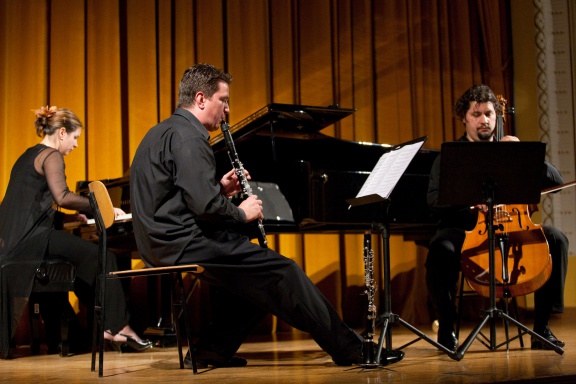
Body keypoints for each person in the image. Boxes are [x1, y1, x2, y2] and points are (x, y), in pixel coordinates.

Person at [130, 63, 404, 368]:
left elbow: (176, 198)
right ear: (201, 99)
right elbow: (204, 209)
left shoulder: (161, 132)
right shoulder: (191, 139)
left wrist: (220, 190)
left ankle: (211, 351)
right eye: (224, 100)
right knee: (284, 272)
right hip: (181, 243)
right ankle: (351, 349)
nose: (228, 110)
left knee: (258, 286)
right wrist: (240, 213)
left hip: (158, 242)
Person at [0, 106, 152, 359]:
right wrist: (100, 205)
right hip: (33, 238)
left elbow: (30, 204)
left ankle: (91, 333)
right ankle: (119, 328)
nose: (76, 144)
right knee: (105, 257)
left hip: (15, 239)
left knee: (85, 262)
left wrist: (72, 216)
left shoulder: (28, 154)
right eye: (75, 137)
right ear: (61, 133)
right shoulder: (51, 155)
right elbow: (62, 196)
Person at [425, 84, 568, 351]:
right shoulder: (449, 156)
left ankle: (541, 329)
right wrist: (468, 201)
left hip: (511, 227)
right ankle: (446, 328)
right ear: (464, 118)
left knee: (556, 240)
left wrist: (524, 154)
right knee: (440, 250)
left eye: (489, 113)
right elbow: (433, 200)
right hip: (464, 229)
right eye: (476, 114)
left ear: (497, 116)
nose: (484, 120)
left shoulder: (510, 151)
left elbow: (557, 183)